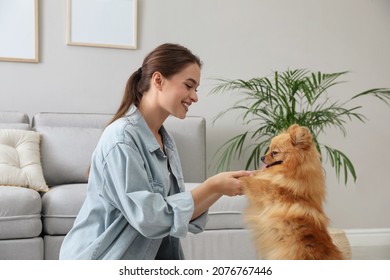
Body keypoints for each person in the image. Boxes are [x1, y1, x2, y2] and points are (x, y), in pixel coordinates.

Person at [59, 43, 251, 260]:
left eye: (196, 89)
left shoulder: (165, 141)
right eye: (188, 86)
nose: (194, 97)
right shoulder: (121, 138)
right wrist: (213, 185)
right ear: (158, 80)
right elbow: (150, 219)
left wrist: (220, 189)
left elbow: (176, 216)